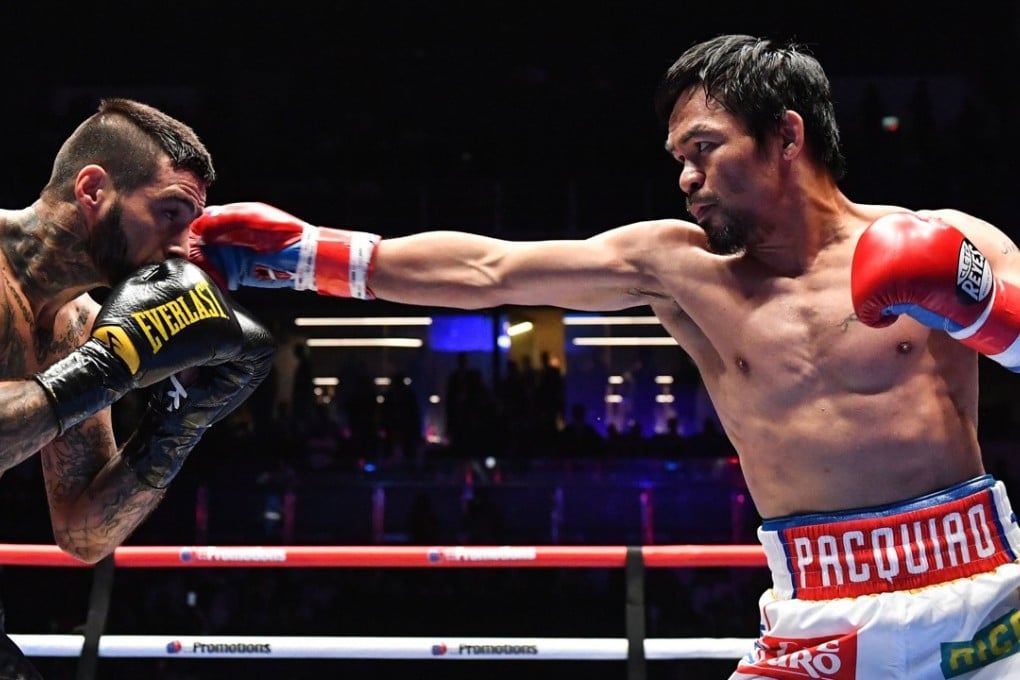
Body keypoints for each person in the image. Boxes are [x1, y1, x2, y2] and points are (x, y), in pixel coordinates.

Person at [191, 34, 1020, 678]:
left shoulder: (950, 239)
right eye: (678, 162)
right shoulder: (682, 269)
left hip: (984, 598)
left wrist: (984, 305)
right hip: (819, 612)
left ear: (786, 136)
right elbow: (491, 269)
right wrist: (307, 254)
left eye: (704, 149)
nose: (687, 179)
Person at [1, 98, 276, 677]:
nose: (182, 250)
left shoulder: (81, 327)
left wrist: (180, 422)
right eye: (170, 213)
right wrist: (105, 371)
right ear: (93, 189)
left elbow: (83, 534)